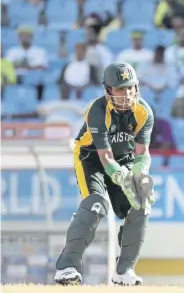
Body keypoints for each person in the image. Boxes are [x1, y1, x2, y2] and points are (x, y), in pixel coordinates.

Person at [54, 62, 155, 286]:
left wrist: (140, 173)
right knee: (96, 204)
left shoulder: (143, 112)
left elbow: (142, 153)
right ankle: (67, 267)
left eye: (130, 87)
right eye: (120, 89)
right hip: (91, 158)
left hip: (124, 158)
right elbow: (105, 157)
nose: (126, 94)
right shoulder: (97, 110)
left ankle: (124, 271)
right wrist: (120, 176)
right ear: (108, 90)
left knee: (141, 203)